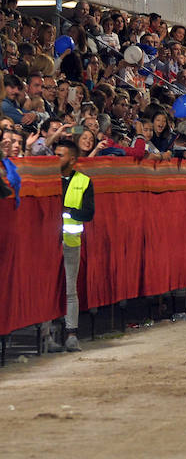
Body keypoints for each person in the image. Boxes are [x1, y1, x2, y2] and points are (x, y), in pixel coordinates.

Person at [44, 139, 95, 352]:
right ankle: (46, 337)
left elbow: (88, 213)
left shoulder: (84, 181)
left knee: (70, 290)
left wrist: (65, 211)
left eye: (60, 155)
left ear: (72, 159)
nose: (56, 158)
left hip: (70, 243)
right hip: (46, 244)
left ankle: (71, 334)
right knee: (46, 290)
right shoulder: (46, 178)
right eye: (54, 154)